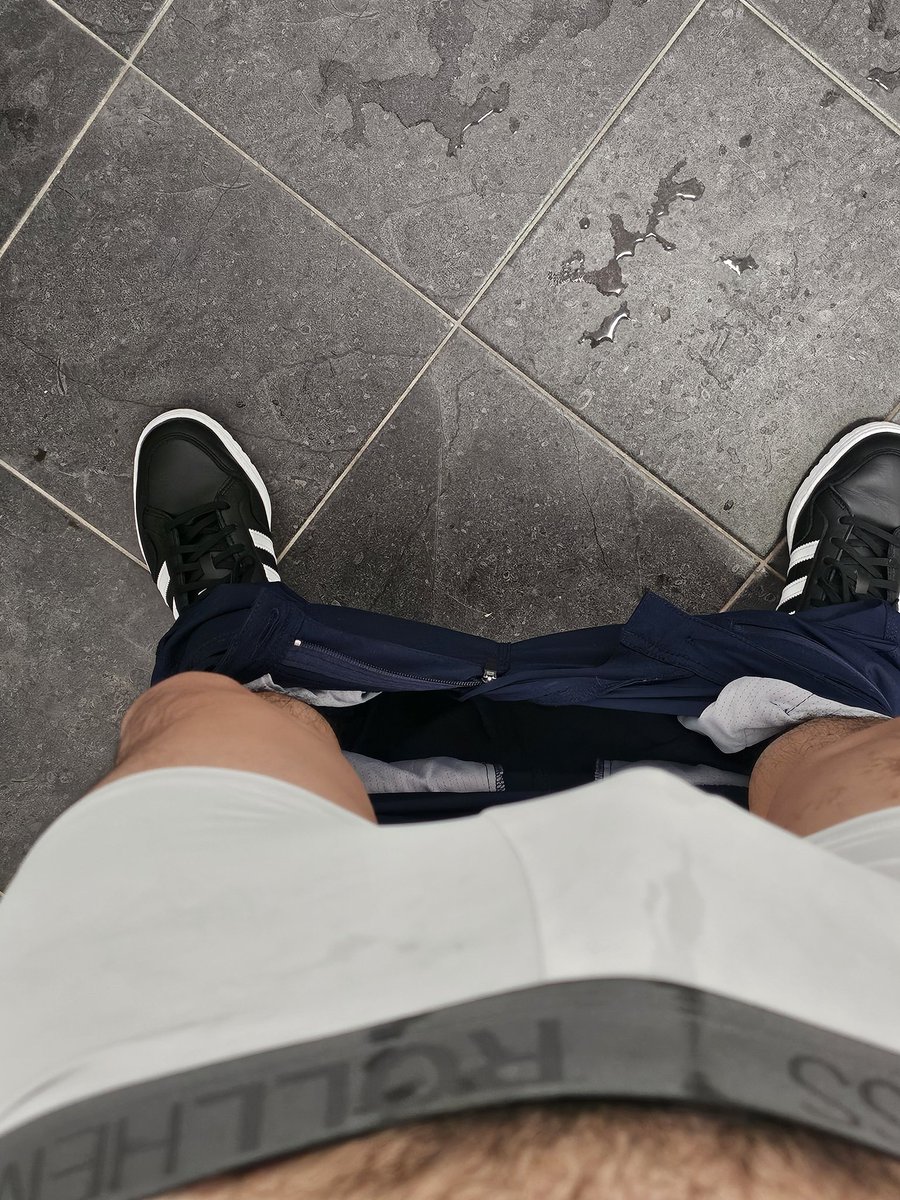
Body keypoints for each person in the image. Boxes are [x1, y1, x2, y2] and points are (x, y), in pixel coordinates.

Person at [4, 412, 900, 1200]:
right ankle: (833, 649)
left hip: (157, 1093)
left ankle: (234, 620)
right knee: (869, 755)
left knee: (199, 720)